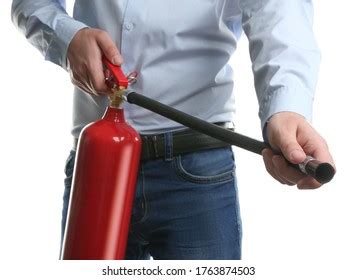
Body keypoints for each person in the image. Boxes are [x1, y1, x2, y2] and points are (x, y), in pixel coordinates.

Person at [11, 0, 335, 260]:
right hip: (95, 166)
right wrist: (67, 38)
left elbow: (281, 13)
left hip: (196, 172)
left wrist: (285, 110)